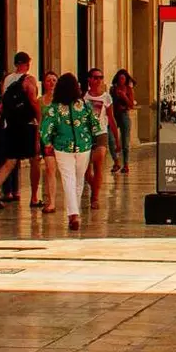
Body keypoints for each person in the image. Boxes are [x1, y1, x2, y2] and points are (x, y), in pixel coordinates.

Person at [39, 73, 99, 232]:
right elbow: (95, 125)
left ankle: (74, 213)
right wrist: (92, 139)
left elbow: (45, 129)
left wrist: (47, 143)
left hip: (62, 147)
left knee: (68, 179)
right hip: (83, 147)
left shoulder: (54, 108)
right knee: (78, 180)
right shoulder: (85, 106)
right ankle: (74, 211)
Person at [0, 53, 40, 207]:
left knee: (11, 160)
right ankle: (34, 197)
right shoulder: (28, 80)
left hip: (11, 124)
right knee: (34, 159)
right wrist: (40, 121)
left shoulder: (6, 80)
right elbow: (33, 102)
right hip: (27, 125)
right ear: (28, 63)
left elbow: (2, 104)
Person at [83, 68, 114, 205]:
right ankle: (94, 186)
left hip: (101, 132)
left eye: (101, 77)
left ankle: (95, 197)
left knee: (99, 160)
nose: (98, 80)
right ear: (89, 79)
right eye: (95, 77)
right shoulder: (83, 97)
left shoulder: (106, 97)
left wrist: (116, 139)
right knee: (86, 170)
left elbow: (111, 118)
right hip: (86, 134)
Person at [38, 70, 62, 212]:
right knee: (50, 169)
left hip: (62, 139)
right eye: (49, 80)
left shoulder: (62, 101)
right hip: (47, 140)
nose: (51, 83)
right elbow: (39, 121)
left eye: (54, 80)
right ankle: (51, 202)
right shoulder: (40, 101)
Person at [109, 68, 136, 173]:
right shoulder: (112, 89)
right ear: (117, 78)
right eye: (120, 78)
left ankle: (126, 165)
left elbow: (131, 105)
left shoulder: (129, 90)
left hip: (124, 115)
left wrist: (124, 96)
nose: (121, 80)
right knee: (111, 140)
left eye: (123, 78)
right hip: (113, 116)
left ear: (126, 79)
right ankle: (116, 162)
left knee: (125, 143)